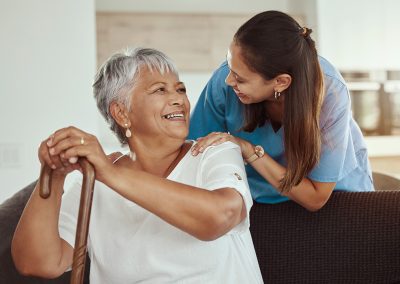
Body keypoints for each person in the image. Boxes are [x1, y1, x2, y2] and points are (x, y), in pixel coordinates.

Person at [11, 48, 263, 283]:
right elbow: (38, 263)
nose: (178, 100)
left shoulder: (214, 151)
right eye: (160, 90)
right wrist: (53, 176)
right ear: (121, 113)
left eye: (180, 89)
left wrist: (110, 175)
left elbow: (221, 216)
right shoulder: (93, 181)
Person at [189, 10, 374, 212]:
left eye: (240, 79)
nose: (228, 80)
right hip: (256, 199)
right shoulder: (225, 82)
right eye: (229, 66)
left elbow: (315, 198)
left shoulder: (331, 93)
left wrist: (248, 150)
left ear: (280, 82)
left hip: (334, 199)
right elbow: (195, 154)